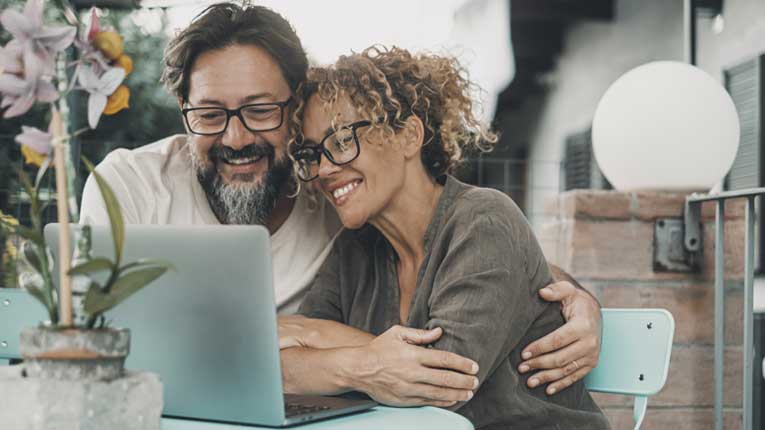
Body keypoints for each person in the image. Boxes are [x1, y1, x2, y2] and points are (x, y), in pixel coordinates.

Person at [79, 2, 601, 403]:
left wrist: (580, 300)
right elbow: (88, 341)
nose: (236, 137)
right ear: (183, 110)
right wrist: (362, 360)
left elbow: (488, 264)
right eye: (211, 114)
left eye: (261, 111)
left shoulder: (340, 206)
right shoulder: (356, 237)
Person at [281, 46, 610, 429]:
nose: (323, 169)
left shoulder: (483, 220)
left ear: (408, 136)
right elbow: (283, 368)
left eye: (340, 141)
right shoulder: (354, 249)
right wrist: (362, 364)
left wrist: (315, 334)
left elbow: (441, 382)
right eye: (313, 153)